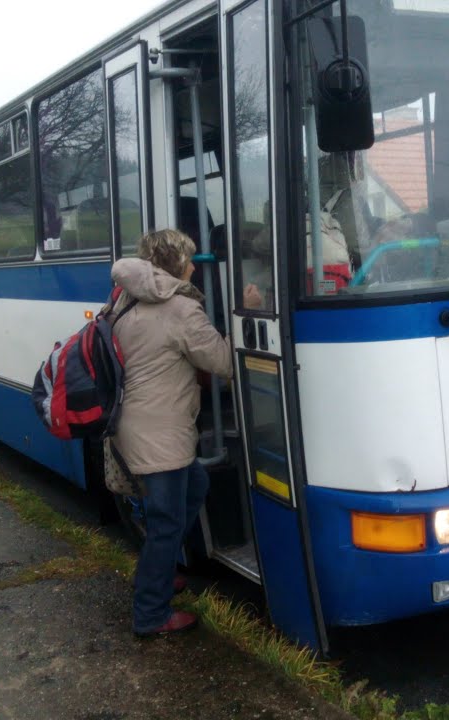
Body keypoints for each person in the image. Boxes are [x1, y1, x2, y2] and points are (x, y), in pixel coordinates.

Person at [105, 228, 258, 637]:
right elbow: (224, 362)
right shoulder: (178, 310)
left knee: (195, 487)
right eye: (189, 259)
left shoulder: (124, 298)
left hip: (135, 425)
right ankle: (151, 613)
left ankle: (157, 570)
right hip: (160, 433)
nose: (194, 266)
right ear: (175, 264)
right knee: (167, 522)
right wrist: (246, 312)